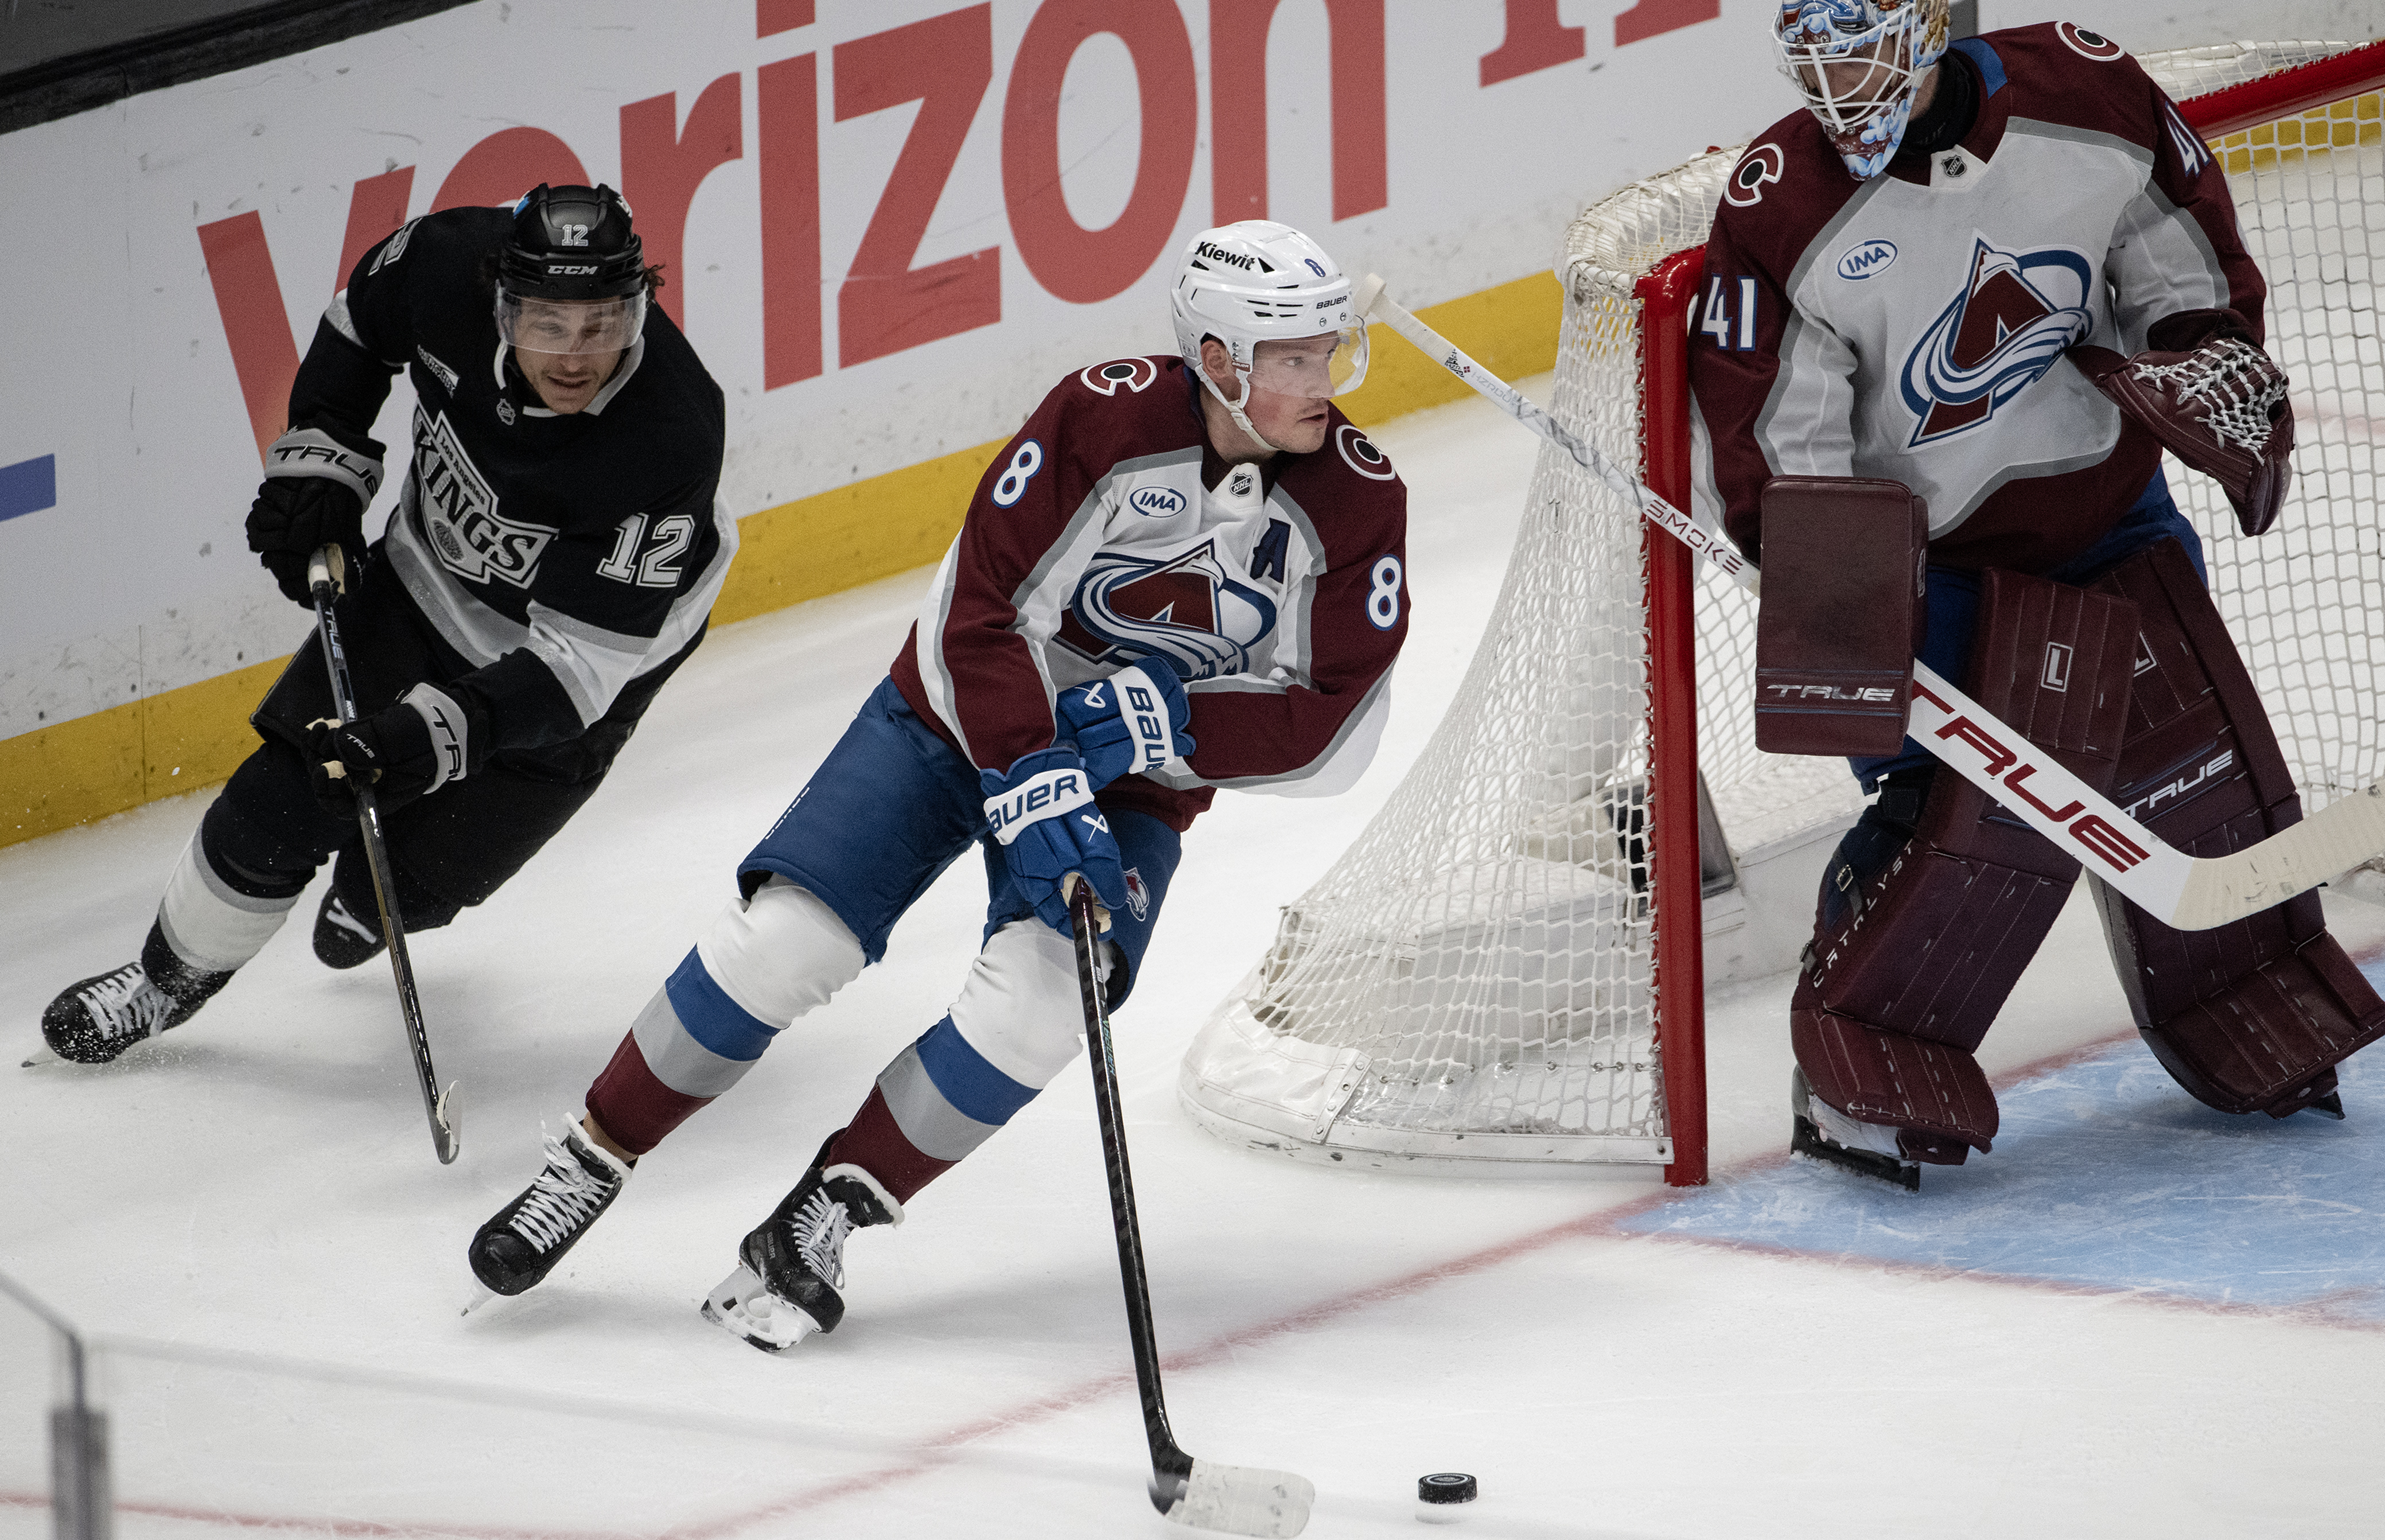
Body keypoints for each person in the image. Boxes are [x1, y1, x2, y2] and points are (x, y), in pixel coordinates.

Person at [465, 219, 1411, 1350]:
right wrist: (1029, 768)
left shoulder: (1358, 500)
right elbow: (979, 610)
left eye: (1329, 350)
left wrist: (1154, 724)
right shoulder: (1100, 418)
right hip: (957, 721)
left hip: (1135, 782)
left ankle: (824, 1212)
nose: (1328, 381)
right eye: (1297, 358)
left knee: (1047, 1006)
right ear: (1219, 359)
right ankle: (593, 1155)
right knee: (787, 943)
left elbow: (1335, 721)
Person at [1690, 2, 2385, 1187]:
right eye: (1809, 42)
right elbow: (1772, 426)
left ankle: (2248, 993)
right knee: (1954, 825)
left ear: (1925, 23)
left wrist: (2204, 348)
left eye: (1856, 38)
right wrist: (1827, 581)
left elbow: (2176, 248)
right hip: (1938, 565)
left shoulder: (2084, 91)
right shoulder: (1784, 204)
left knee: (2195, 774)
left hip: (2112, 511)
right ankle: (1865, 1055)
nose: (1832, 72)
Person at [40, 184, 732, 1064]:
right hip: (421, 585)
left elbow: (576, 669)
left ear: (638, 307)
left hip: (581, 663)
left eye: (602, 326)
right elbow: (358, 329)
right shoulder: (444, 262)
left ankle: (375, 895)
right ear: (501, 302)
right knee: (279, 802)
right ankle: (163, 984)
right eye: (547, 325)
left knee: (405, 893)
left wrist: (421, 741)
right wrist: (323, 461)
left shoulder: (669, 433)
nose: (574, 356)